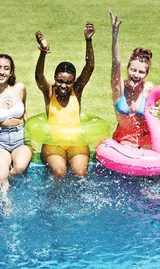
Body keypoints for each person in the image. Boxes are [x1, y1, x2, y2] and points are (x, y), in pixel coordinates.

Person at [34, 22, 95, 178]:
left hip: (76, 143)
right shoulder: (49, 93)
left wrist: (88, 41)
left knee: (80, 173)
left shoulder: (77, 91)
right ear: (55, 79)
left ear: (73, 82)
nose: (63, 85)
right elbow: (39, 76)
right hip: (54, 144)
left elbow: (89, 67)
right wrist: (43, 51)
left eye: (68, 82)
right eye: (60, 80)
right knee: (59, 172)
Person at [108, 10, 160, 149]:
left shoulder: (148, 89)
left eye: (141, 72)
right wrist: (115, 35)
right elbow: (116, 63)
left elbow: (153, 116)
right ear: (127, 69)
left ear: (146, 74)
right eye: (133, 70)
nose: (136, 75)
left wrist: (155, 112)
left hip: (147, 137)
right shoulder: (119, 88)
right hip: (124, 138)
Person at [0, 54, 31, 184]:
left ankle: (6, 185)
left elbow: (24, 113)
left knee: (19, 167)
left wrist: (31, 136)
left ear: (11, 72)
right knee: (1, 174)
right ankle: (4, 203)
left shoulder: (20, 88)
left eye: (6, 68)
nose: (2, 72)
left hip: (20, 139)